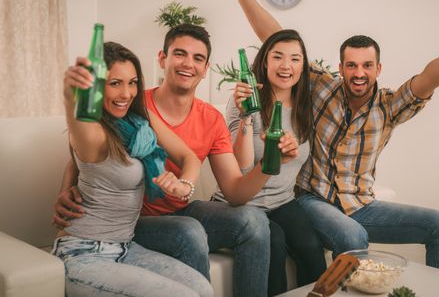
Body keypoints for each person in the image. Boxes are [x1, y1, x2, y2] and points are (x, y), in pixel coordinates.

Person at [216, 0, 439, 273]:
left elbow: (429, 78)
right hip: (312, 200)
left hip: (362, 204)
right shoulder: (321, 88)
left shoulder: (389, 106)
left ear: (378, 68)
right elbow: (279, 39)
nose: (358, 73)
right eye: (351, 65)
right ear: (341, 67)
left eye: (367, 65)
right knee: (351, 234)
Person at [54, 25, 299, 297]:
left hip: (160, 221)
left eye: (197, 58)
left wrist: (268, 164)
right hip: (135, 224)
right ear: (163, 58)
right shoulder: (131, 107)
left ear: (206, 68)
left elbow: (233, 190)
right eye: (179, 54)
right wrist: (66, 188)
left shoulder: (147, 117)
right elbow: (85, 146)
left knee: (253, 221)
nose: (188, 64)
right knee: (189, 231)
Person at [56, 41, 212, 296]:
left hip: (126, 247)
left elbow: (188, 157)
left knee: (202, 290)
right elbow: (77, 121)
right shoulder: (94, 134)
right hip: (84, 253)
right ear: (96, 86)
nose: (126, 93)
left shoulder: (140, 124)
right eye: (115, 83)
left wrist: (184, 184)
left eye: (132, 82)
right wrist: (69, 95)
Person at [212, 29, 326, 295]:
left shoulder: (306, 105)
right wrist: (246, 117)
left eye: (295, 59)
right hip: (242, 205)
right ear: (265, 62)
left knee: (311, 248)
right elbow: (240, 166)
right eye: (278, 57)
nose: (286, 66)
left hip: (282, 202)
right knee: (273, 243)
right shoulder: (244, 101)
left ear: (303, 65)